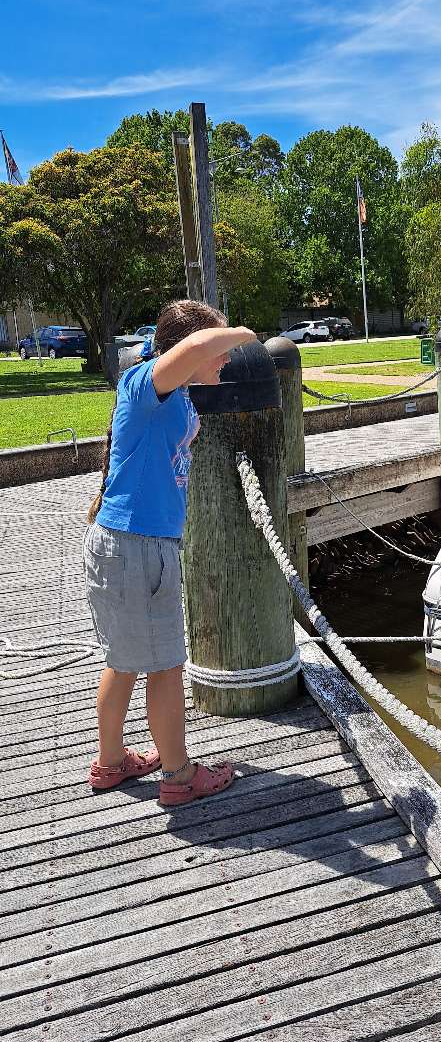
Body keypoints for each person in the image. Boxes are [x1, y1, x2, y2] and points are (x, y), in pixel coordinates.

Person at [83, 299, 257, 805]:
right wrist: (242, 331)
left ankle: (111, 762)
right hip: (138, 549)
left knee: (123, 660)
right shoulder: (146, 384)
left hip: (126, 544)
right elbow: (200, 346)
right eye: (219, 349)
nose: (225, 359)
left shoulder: (171, 392)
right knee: (165, 666)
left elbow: (199, 353)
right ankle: (179, 777)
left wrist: (218, 340)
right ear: (184, 349)